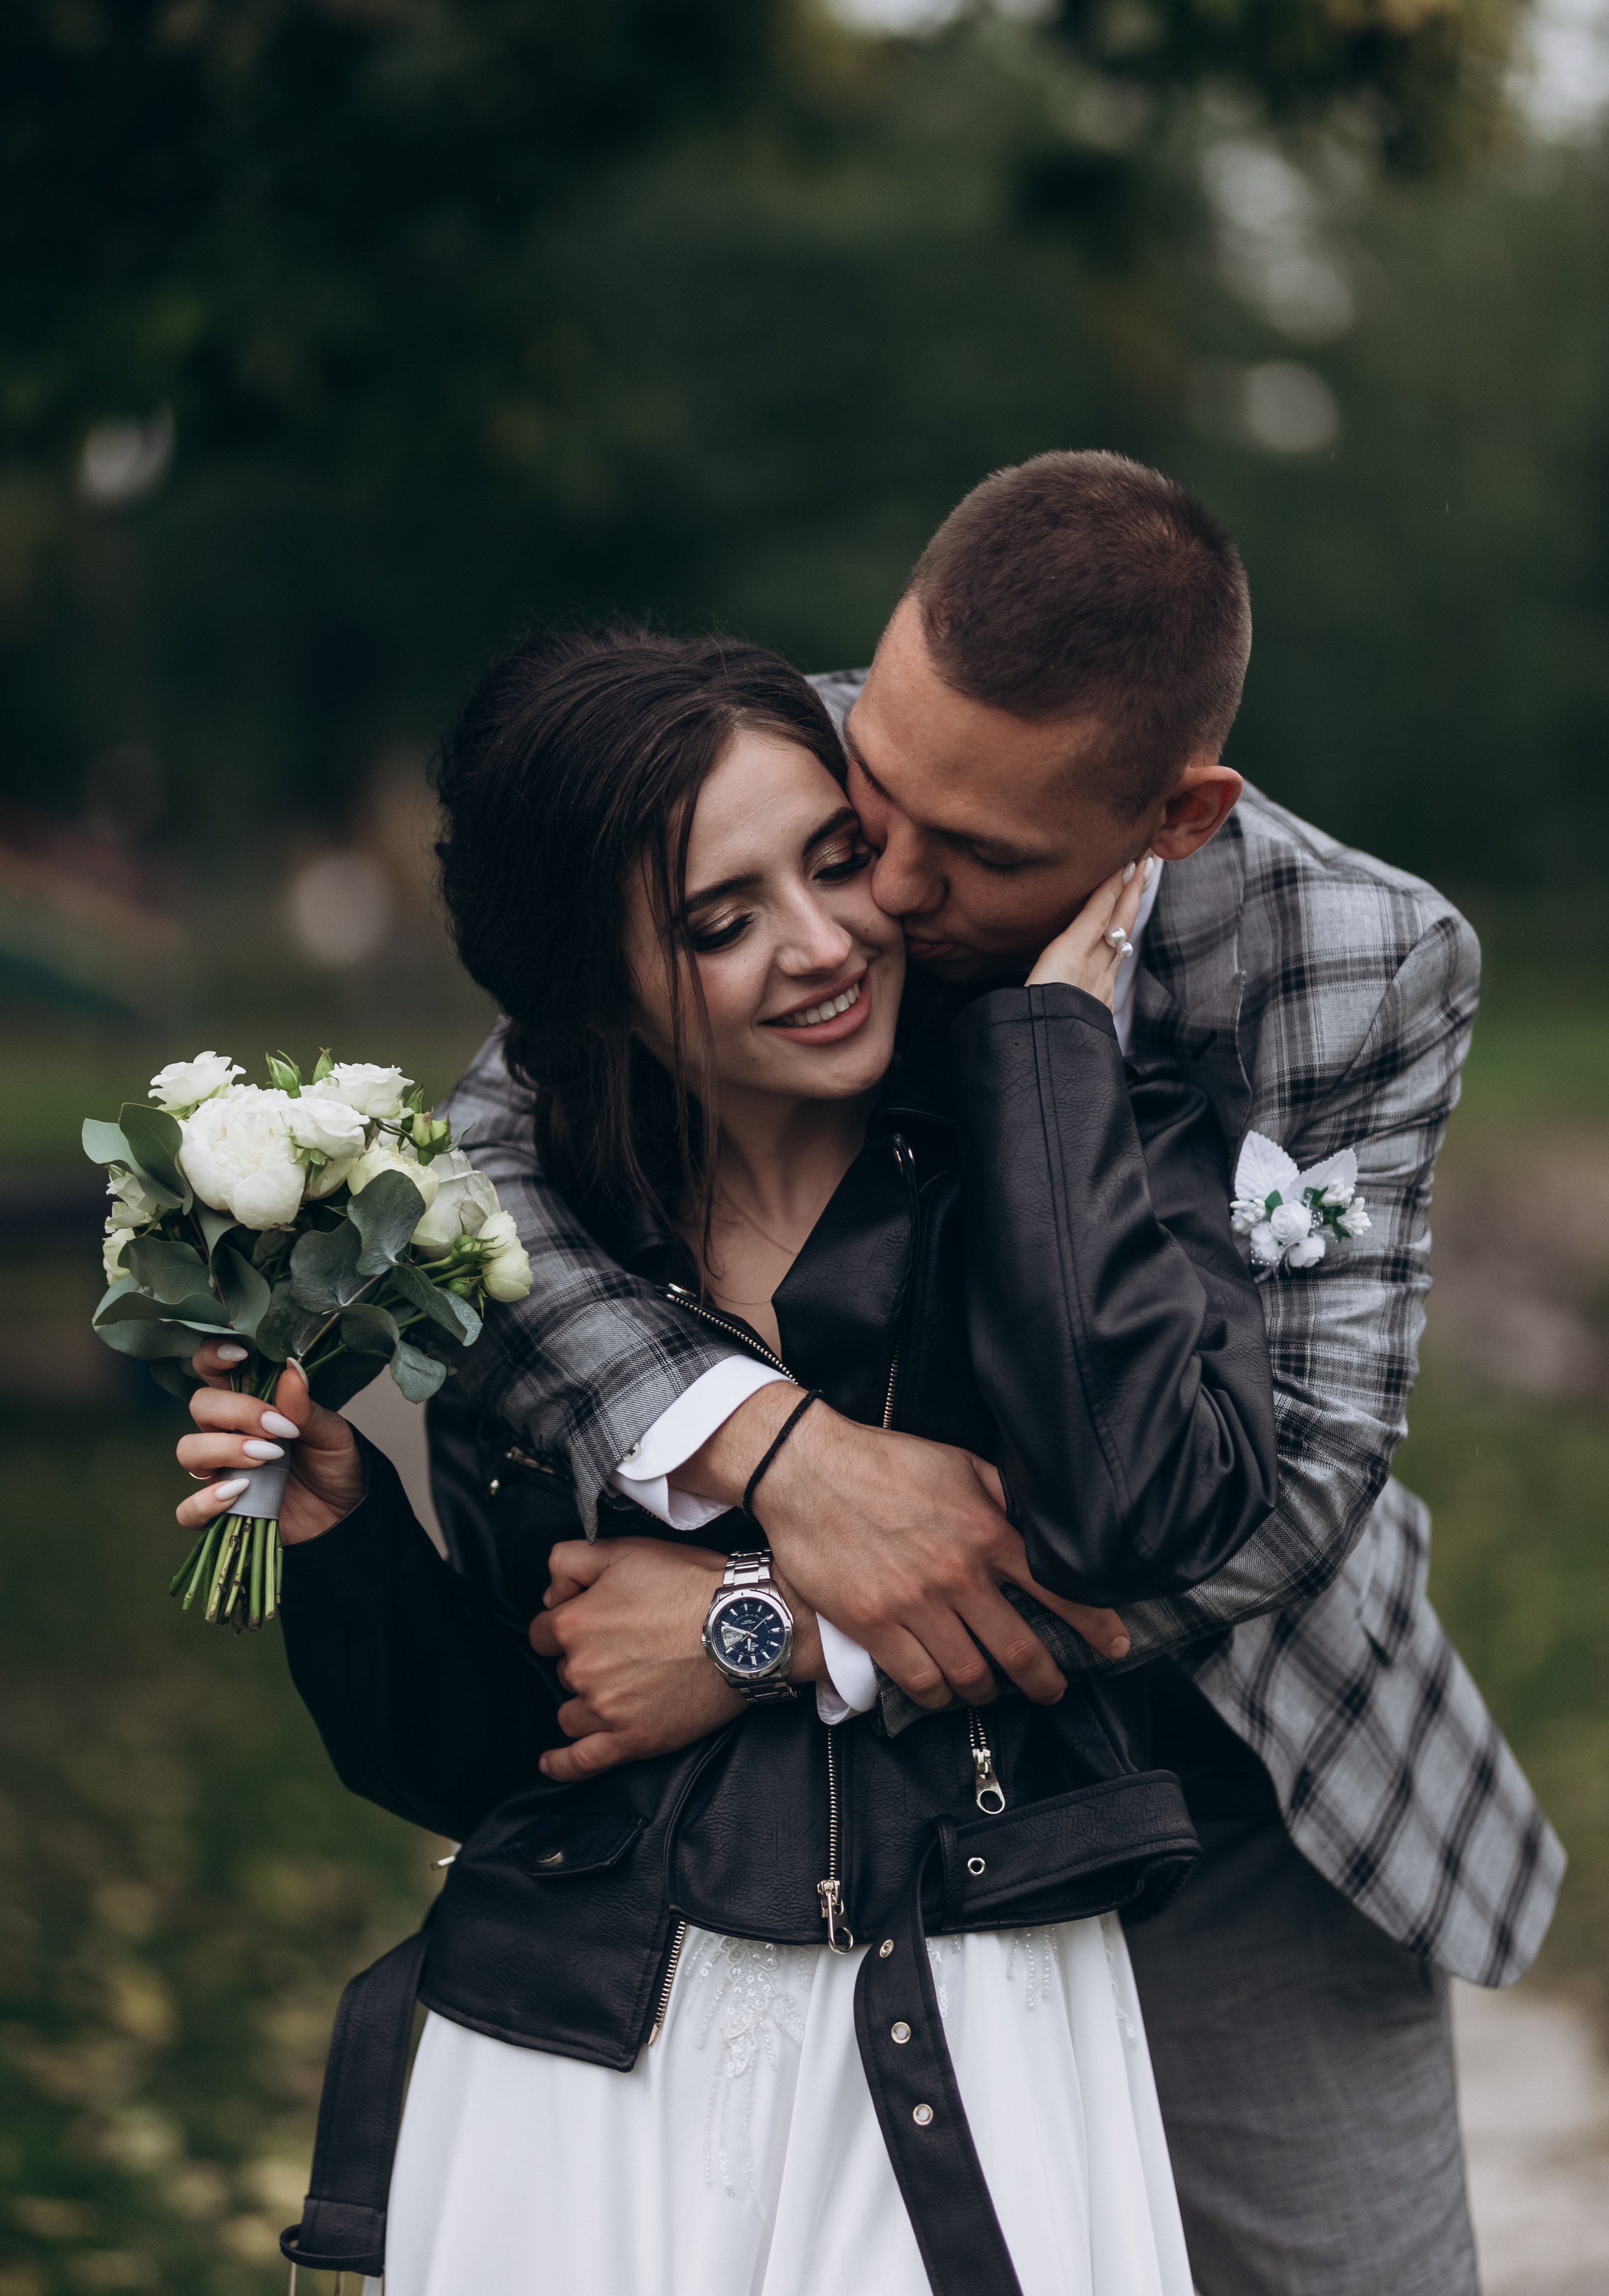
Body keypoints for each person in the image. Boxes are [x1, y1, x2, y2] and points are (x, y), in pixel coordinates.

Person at [432, 452, 1564, 2296]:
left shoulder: (1352, 958)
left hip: (1229, 1773)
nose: (877, 885)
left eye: (978, 860)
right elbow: (482, 1173)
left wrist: (778, 1617)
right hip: (836, 1831)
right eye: (880, 782)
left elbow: (1290, 1488)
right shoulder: (758, 775)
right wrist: (781, 1457)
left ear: (1177, 816)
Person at [175, 630, 1284, 2294]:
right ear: (597, 972)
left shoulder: (1066, 1162)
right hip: (578, 2063)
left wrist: (739, 1633)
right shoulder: (527, 1279)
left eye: (836, 863)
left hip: (968, 2022)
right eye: (721, 919)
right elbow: (488, 1752)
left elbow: (1137, 1527)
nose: (826, 943)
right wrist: (344, 1529)